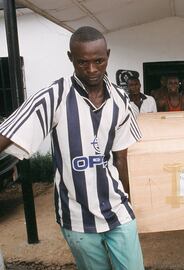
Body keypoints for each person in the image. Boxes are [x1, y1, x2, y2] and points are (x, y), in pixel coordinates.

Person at [0, 26, 145, 270]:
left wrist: (128, 201)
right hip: (76, 217)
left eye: (99, 61)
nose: (91, 70)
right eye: (82, 62)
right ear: (70, 58)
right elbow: (7, 134)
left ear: (108, 55)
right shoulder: (54, 96)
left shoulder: (121, 100)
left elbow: (121, 158)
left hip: (118, 211)